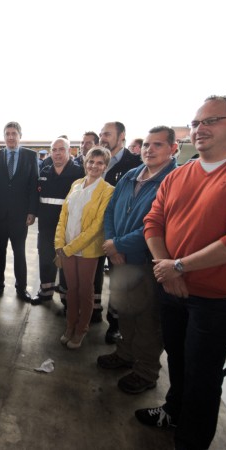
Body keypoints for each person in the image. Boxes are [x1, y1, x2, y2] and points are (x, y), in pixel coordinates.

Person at [136, 95, 226, 450]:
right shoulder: (180, 175)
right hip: (172, 287)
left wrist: (178, 266)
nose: (199, 129)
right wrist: (167, 269)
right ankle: (174, 411)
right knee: (177, 358)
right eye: (195, 123)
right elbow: (153, 221)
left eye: (210, 121)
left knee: (203, 375)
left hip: (218, 297)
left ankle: (191, 440)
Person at [97, 126, 177, 394]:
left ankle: (145, 371)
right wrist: (112, 244)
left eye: (157, 145)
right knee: (125, 310)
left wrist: (118, 243)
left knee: (147, 319)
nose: (149, 150)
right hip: (119, 258)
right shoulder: (131, 175)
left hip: (146, 259)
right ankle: (125, 354)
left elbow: (157, 226)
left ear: (173, 149)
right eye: (146, 145)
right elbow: (110, 211)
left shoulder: (173, 180)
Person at [55, 147, 113, 349]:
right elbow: (64, 215)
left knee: (85, 291)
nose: (94, 166)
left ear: (105, 166)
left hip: (87, 250)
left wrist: (70, 248)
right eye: (91, 161)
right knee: (72, 290)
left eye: (99, 163)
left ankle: (81, 329)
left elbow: (97, 226)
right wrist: (59, 243)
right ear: (85, 162)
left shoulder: (107, 190)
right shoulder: (76, 184)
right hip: (67, 247)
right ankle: (70, 325)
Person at [96, 122, 142, 343]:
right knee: (93, 274)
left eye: (107, 133)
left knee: (118, 282)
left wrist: (115, 241)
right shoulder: (96, 161)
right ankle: (93, 310)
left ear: (122, 136)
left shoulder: (135, 165)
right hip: (93, 232)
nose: (102, 137)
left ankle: (115, 325)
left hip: (116, 235)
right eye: (101, 133)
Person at [0, 122, 39, 302]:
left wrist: (32, 211)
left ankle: (21, 288)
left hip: (20, 217)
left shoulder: (30, 156)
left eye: (14, 133)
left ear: (20, 136)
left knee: (19, 254)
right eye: (7, 134)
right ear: (4, 136)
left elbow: (33, 185)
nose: (11, 137)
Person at [31, 138, 83, 306]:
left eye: (61, 149)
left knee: (67, 262)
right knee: (46, 259)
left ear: (69, 152)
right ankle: (45, 292)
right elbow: (36, 197)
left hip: (69, 229)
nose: (57, 153)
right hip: (46, 228)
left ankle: (67, 297)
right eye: (54, 150)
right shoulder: (44, 172)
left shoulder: (79, 174)